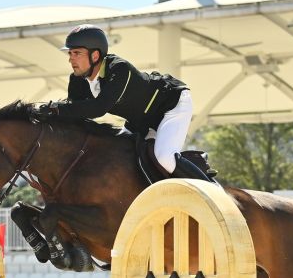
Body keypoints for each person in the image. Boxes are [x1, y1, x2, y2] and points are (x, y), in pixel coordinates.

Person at [31, 24, 210, 181]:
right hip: (140, 119)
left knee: (164, 158)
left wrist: (55, 108)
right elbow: (76, 116)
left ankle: (212, 193)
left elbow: (98, 108)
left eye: (77, 53)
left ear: (95, 55)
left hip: (171, 104)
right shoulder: (78, 80)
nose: (71, 59)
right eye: (70, 53)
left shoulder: (119, 69)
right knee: (116, 156)